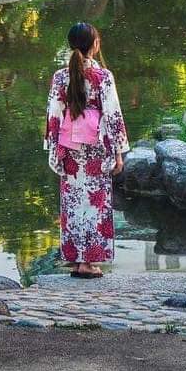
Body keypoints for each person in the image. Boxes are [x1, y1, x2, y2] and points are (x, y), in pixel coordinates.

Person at [44, 21, 129, 279]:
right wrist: (118, 152)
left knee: (72, 204)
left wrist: (54, 148)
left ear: (71, 44)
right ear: (95, 44)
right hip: (96, 150)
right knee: (96, 202)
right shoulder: (103, 76)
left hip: (69, 149)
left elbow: (54, 115)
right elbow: (112, 115)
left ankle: (76, 259)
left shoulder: (60, 76)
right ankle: (89, 263)